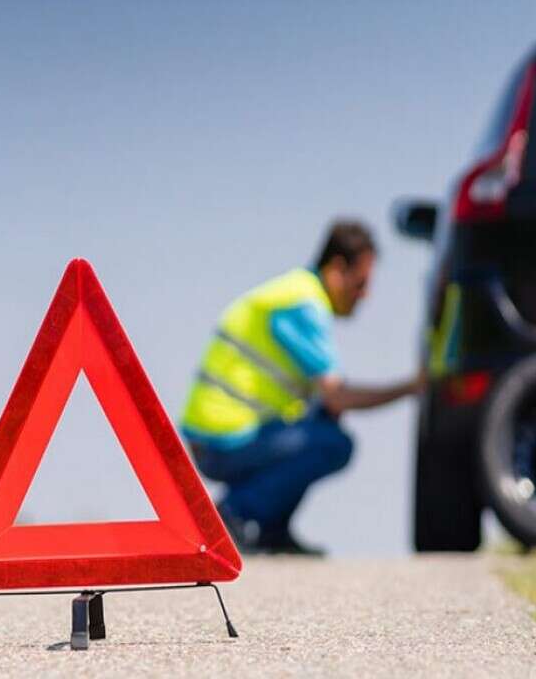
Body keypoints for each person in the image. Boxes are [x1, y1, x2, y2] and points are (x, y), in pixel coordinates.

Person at [181, 220, 423, 555]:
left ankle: (271, 529)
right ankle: (233, 514)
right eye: (361, 283)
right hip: (222, 439)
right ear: (337, 269)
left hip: (224, 434)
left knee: (325, 422)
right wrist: (411, 387)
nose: (365, 295)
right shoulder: (303, 305)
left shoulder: (295, 291)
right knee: (333, 443)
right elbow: (337, 396)